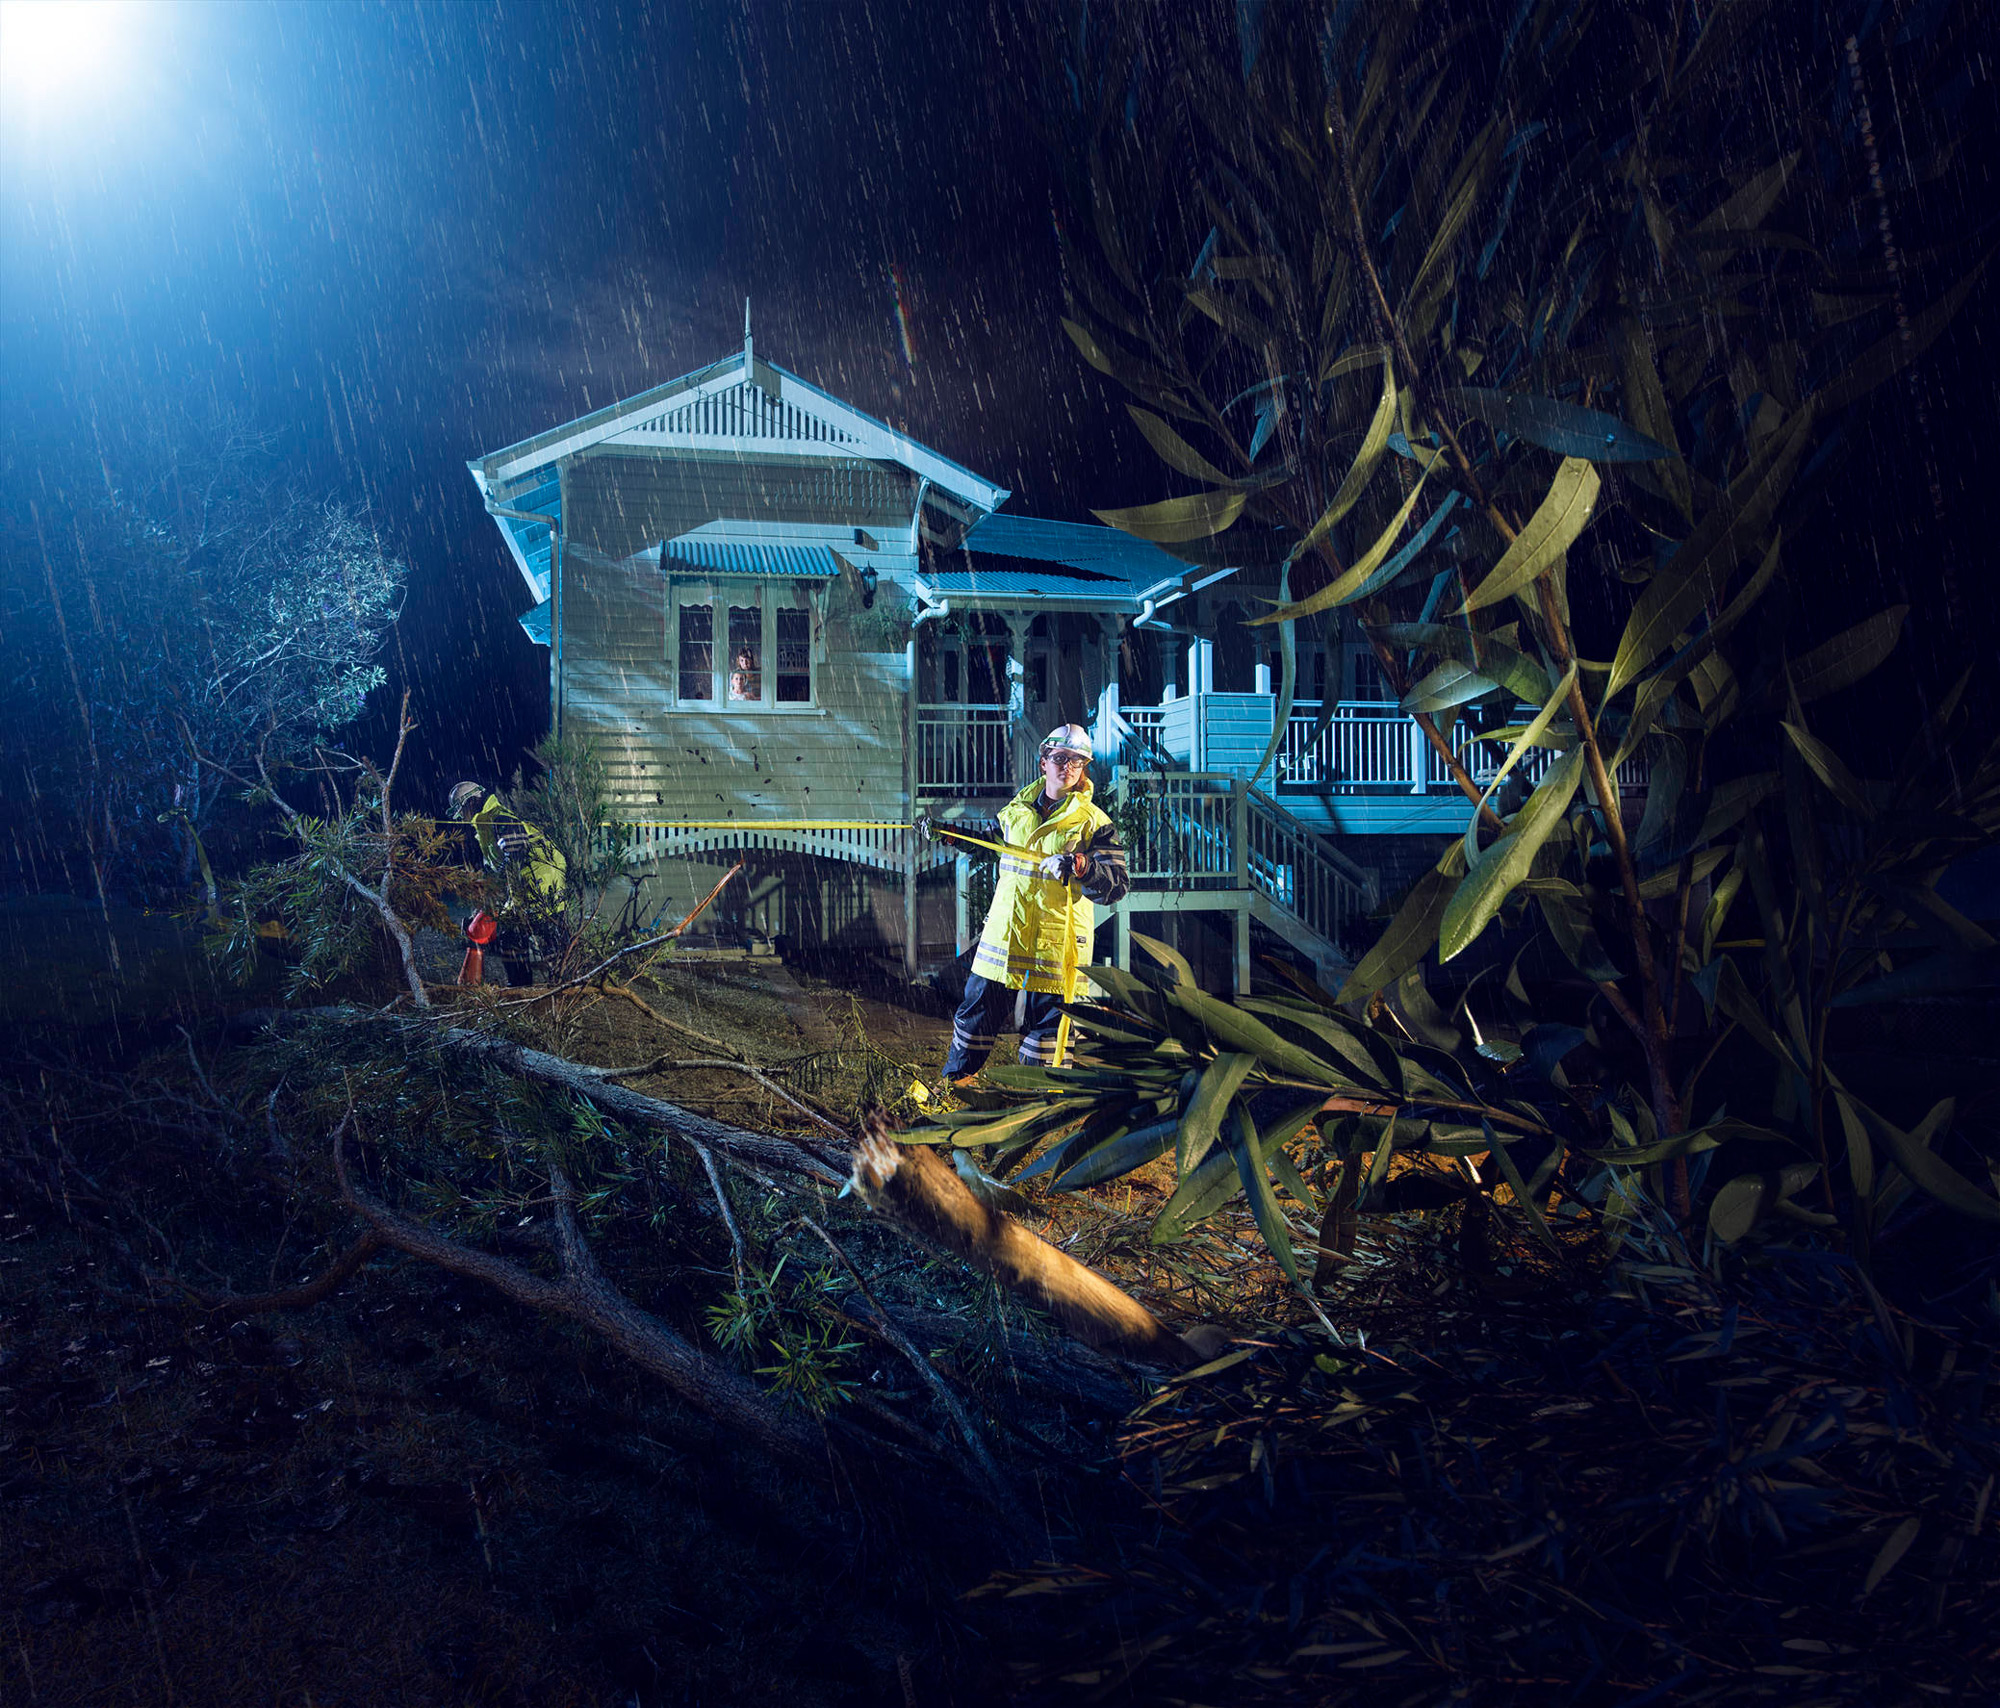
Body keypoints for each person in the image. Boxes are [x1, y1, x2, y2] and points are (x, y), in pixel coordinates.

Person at [918, 723, 1129, 1082]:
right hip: (1006, 936)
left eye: (1077, 762)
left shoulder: (1094, 824)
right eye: (1060, 758)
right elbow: (991, 843)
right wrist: (948, 834)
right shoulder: (1017, 812)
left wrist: (1080, 865)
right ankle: (955, 1088)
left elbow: (1116, 886)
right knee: (975, 1017)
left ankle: (1033, 1111)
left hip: (1055, 945)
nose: (1068, 767)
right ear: (1043, 762)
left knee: (1045, 1039)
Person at [449, 781, 568, 986]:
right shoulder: (486, 823)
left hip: (539, 883)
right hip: (533, 883)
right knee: (530, 937)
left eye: (462, 810)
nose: (462, 817)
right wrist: (487, 906)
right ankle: (556, 983)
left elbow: (515, 855)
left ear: (472, 802)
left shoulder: (500, 818)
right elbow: (497, 869)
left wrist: (500, 907)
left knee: (522, 935)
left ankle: (540, 985)